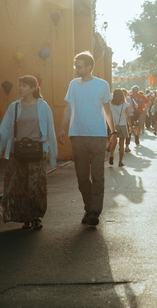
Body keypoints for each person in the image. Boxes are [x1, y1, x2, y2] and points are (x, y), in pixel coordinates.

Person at [57, 51, 117, 227]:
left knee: (97, 175)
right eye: (76, 66)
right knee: (82, 176)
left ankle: (94, 212)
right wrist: (62, 128)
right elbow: (68, 108)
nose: (77, 69)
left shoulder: (102, 85)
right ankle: (89, 207)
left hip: (97, 135)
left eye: (80, 66)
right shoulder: (73, 84)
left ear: (90, 67)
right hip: (77, 135)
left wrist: (113, 133)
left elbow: (107, 110)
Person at [0, 75, 57, 230]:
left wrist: (53, 156)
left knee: (36, 186)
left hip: (37, 152)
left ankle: (36, 217)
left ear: (33, 89)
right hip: (18, 153)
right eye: (20, 85)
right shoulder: (14, 107)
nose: (20, 88)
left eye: (24, 86)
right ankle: (25, 218)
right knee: (19, 186)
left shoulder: (43, 107)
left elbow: (50, 131)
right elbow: (4, 129)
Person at [109, 89, 131, 167]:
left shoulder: (110, 104)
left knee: (113, 142)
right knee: (121, 144)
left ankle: (111, 154)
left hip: (113, 125)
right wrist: (130, 125)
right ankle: (120, 162)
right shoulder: (125, 105)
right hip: (122, 124)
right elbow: (127, 116)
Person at [123, 88, 135, 152]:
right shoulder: (130, 99)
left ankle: (121, 146)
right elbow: (136, 106)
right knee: (128, 132)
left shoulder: (116, 101)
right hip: (130, 116)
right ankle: (127, 146)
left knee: (120, 133)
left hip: (120, 119)